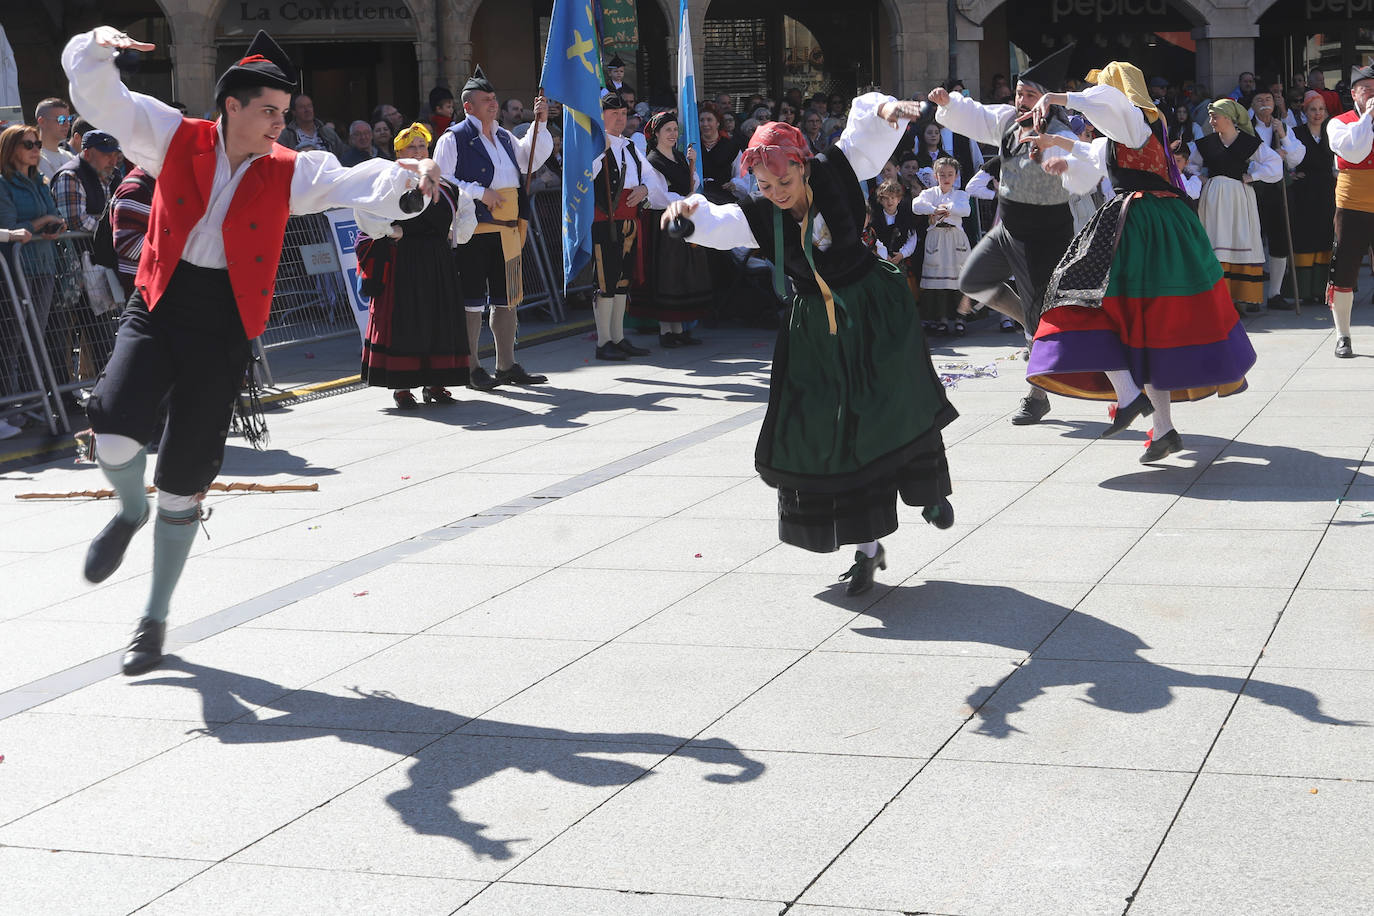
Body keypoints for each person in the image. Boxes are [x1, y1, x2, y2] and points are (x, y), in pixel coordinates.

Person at [63, 25, 443, 675]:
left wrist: (408, 174)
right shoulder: (173, 134)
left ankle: (151, 624)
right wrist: (97, 47)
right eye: (267, 110)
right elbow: (106, 101)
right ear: (231, 105)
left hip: (227, 326)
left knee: (184, 481)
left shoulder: (292, 171)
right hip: (157, 304)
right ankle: (128, 509)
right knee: (113, 422)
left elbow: (358, 182)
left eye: (283, 112)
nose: (279, 122)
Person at [660, 97, 957, 596]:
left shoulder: (834, 168)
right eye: (766, 185)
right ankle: (867, 549)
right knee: (828, 430)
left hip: (872, 307)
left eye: (784, 182)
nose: (775, 193)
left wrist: (887, 110)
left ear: (801, 166)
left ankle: (925, 491)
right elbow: (716, 221)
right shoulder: (757, 212)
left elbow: (864, 129)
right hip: (815, 328)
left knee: (893, 397)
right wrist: (685, 214)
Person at [1021, 63, 1256, 463]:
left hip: (1143, 224)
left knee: (1074, 294)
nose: (1095, 100)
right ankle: (1162, 428)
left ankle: (1130, 398)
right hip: (1156, 224)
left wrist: (1057, 98)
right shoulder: (1127, 131)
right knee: (1146, 327)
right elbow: (1092, 153)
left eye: (1103, 88)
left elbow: (1108, 105)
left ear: (1119, 90)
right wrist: (1051, 143)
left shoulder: (1134, 116)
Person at [935, 43, 1078, 425]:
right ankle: (1029, 319)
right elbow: (975, 115)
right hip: (1008, 230)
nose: (1021, 100)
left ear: (1048, 100)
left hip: (1044, 239)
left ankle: (1038, 395)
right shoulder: (1007, 121)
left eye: (1030, 95)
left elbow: (1083, 165)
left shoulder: (1061, 132)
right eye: (1018, 92)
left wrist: (1060, 160)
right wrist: (949, 102)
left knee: (1038, 320)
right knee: (973, 280)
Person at [434, 65, 552, 389]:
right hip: (474, 233)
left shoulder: (503, 136)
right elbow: (441, 181)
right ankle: (471, 367)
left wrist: (539, 124)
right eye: (486, 99)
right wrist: (478, 192)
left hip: (508, 232)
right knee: (472, 301)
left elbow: (531, 157)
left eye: (494, 98)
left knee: (507, 299)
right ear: (468, 106)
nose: (493, 103)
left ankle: (506, 365)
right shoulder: (453, 138)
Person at [357, 123, 470, 408]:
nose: (419, 152)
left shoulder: (445, 187)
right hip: (404, 262)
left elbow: (466, 217)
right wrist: (391, 231)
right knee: (407, 322)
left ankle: (435, 383)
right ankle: (402, 387)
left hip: (437, 262)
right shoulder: (391, 183)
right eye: (412, 147)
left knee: (437, 320)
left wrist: (453, 233)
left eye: (423, 146)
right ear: (400, 153)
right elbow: (366, 212)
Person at [1189, 99, 1283, 314]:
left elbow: (1275, 165)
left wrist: (1253, 176)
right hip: (1213, 199)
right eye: (1211, 116)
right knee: (1216, 241)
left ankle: (1239, 297)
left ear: (1229, 118)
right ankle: (1218, 299)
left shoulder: (1248, 143)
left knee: (1239, 239)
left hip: (1240, 198)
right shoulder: (1206, 143)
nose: (1211, 121)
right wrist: (1201, 178)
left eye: (1215, 116)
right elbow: (1189, 165)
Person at [632, 109, 712, 347]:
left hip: (681, 219)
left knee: (681, 275)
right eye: (668, 130)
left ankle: (678, 329)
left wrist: (692, 164)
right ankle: (666, 331)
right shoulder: (653, 160)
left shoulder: (678, 156)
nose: (673, 134)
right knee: (666, 275)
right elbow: (657, 195)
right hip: (663, 222)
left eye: (675, 129)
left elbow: (693, 183)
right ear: (656, 133)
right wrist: (683, 200)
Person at [589, 94, 652, 362]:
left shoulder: (630, 147)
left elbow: (652, 178)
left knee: (622, 282)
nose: (620, 118)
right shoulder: (593, 146)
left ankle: (618, 337)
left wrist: (644, 189)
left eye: (623, 113)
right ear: (601, 115)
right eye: (614, 113)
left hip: (629, 222)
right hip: (605, 222)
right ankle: (604, 342)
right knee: (606, 282)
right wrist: (597, 150)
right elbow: (584, 176)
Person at [1324, 65, 1374, 358]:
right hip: (1352, 204)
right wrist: (1367, 117)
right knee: (1343, 273)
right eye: (1365, 88)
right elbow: (1355, 152)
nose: (1370, 94)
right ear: (1354, 93)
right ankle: (1343, 336)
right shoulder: (1338, 123)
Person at [1250, 89, 1306, 309]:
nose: (1265, 103)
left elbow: (1296, 159)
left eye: (1268, 99)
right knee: (1253, 239)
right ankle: (1251, 295)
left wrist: (1282, 135)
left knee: (1281, 239)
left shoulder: (1282, 127)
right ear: (1252, 105)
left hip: (1280, 189)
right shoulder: (1246, 128)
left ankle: (1275, 293)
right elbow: (1249, 161)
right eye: (1259, 100)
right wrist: (1274, 156)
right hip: (1254, 189)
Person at [911, 156, 971, 336]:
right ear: (936, 176)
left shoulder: (960, 194)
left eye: (950, 174)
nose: (946, 177)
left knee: (960, 279)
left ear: (956, 176)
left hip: (955, 239)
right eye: (942, 174)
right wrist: (933, 210)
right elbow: (916, 205)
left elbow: (965, 210)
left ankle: (961, 318)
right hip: (936, 239)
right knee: (938, 282)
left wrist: (948, 207)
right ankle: (942, 319)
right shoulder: (930, 194)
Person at [1288, 91, 1335, 308]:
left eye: (1321, 109)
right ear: (1304, 111)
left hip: (1328, 191)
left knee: (1326, 238)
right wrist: (1291, 175)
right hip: (1305, 193)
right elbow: (1285, 158)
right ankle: (1306, 291)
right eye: (1313, 109)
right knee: (1306, 238)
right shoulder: (1295, 133)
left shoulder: (1332, 132)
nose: (1317, 113)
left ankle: (1324, 290)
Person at [51, 128, 120, 233]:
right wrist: (116, 229)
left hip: (101, 246)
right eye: (107, 155)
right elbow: (77, 222)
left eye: (115, 155)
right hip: (79, 248)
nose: (113, 162)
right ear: (87, 154)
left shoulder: (114, 174)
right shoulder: (70, 176)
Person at [869, 176, 921, 303]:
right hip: (880, 262)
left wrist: (902, 254)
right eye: (885, 198)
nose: (889, 201)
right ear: (880, 200)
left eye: (893, 198)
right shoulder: (874, 219)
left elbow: (912, 238)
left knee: (901, 294)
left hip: (900, 261)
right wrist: (883, 255)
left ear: (899, 199)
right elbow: (872, 239)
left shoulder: (906, 216)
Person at [110, 165, 155, 297]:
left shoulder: (148, 183)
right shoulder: (137, 190)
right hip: (143, 287)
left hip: (150, 284)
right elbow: (128, 245)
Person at [698, 104, 740, 204]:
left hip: (724, 201)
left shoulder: (731, 147)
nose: (705, 124)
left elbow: (741, 174)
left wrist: (734, 184)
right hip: (699, 201)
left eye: (709, 120)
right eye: (702, 120)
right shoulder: (693, 146)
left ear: (717, 123)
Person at [277, 94, 345, 157]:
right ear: (294, 112)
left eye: (309, 106)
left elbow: (343, 154)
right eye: (302, 107)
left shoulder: (327, 132)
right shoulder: (286, 136)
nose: (307, 110)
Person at [35, 97, 76, 181]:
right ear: (42, 121)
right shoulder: (33, 158)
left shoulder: (70, 156)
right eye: (61, 119)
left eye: (69, 119)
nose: (67, 124)